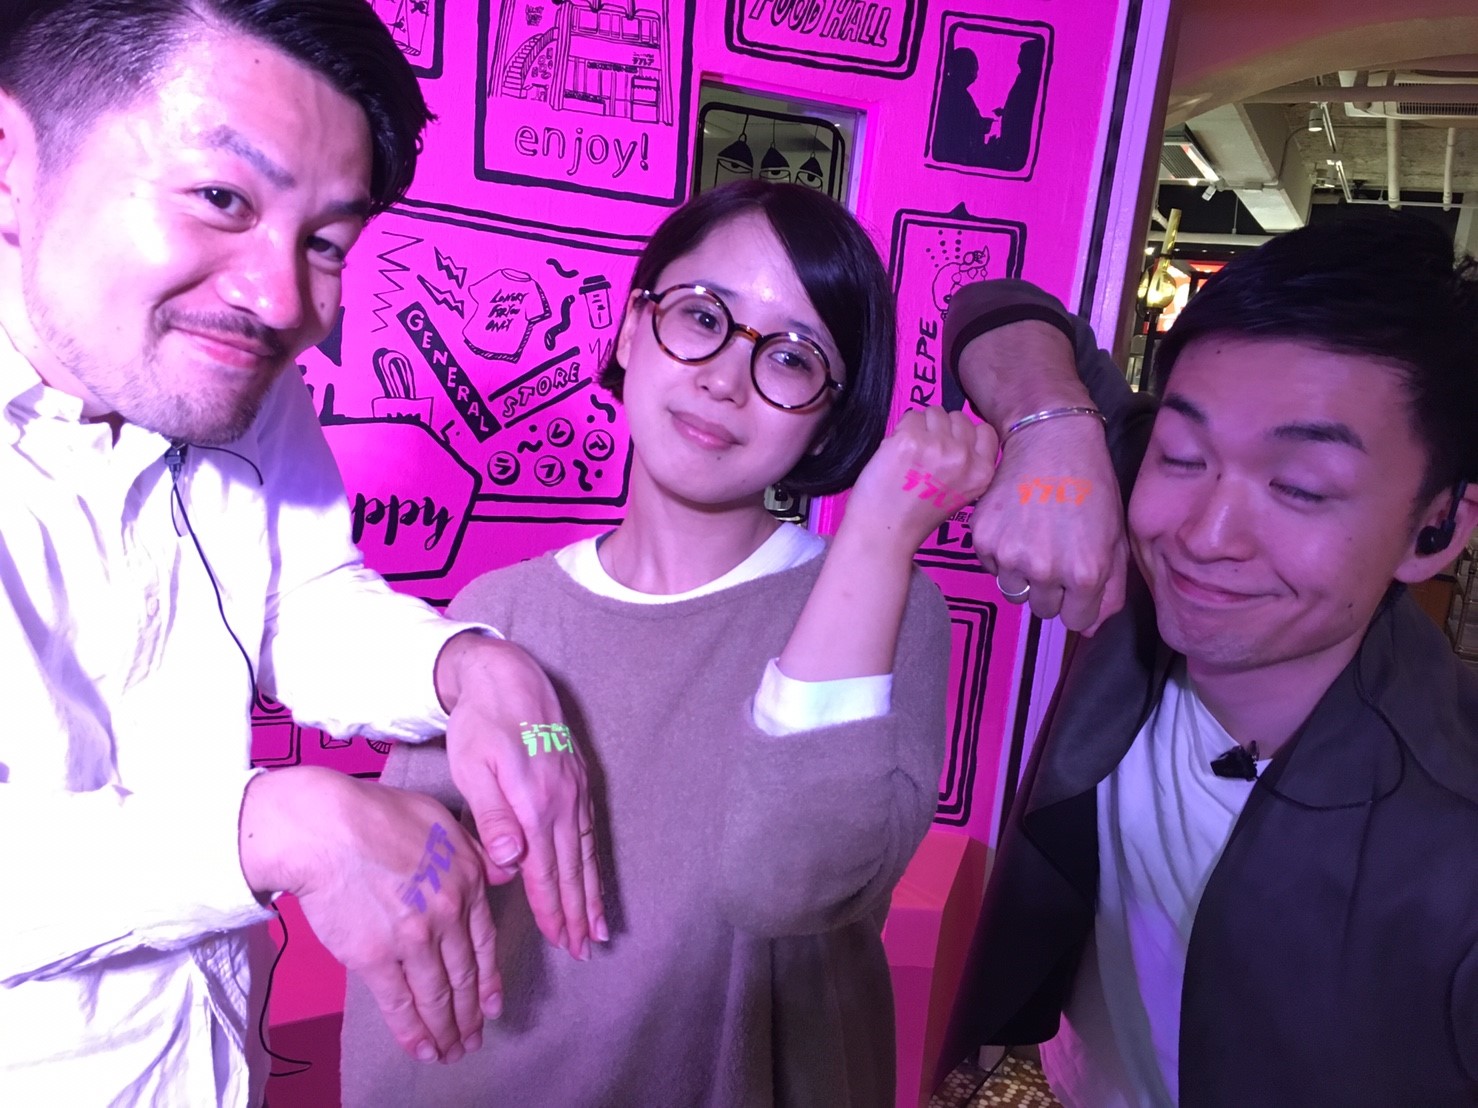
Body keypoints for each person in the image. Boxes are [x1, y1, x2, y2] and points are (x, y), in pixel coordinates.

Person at [0, 2, 603, 1103]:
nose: (285, 303)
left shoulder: (227, 369)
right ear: (11, 162)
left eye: (326, 242)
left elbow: (299, 599)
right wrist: (273, 827)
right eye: (223, 198)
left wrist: (474, 665)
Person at [338, 180, 999, 1106]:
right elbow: (421, 899)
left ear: (831, 414)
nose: (725, 378)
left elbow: (792, 881)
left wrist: (879, 535)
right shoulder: (499, 610)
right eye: (701, 316)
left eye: (793, 358)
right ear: (629, 330)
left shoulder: (887, 611)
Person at [943, 211, 1478, 1104]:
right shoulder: (1137, 500)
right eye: (1182, 455)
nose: (1203, 536)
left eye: (1300, 488)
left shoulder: (1453, 843)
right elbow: (997, 307)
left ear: (1437, 530)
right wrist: (1055, 432)